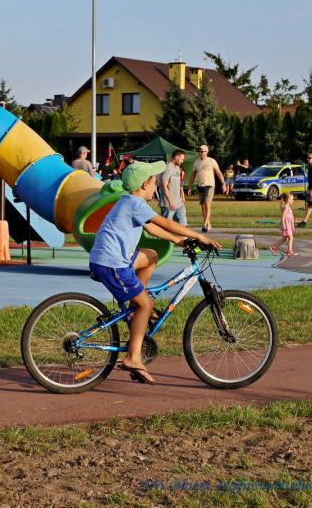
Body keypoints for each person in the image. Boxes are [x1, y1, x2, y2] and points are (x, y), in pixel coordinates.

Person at [89, 161, 219, 385]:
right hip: (113, 264)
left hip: (109, 259)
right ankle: (133, 357)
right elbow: (165, 223)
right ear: (144, 185)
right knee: (146, 305)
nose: (156, 187)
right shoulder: (136, 204)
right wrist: (199, 236)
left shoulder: (127, 201)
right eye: (154, 183)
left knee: (151, 256)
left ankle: (135, 307)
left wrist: (178, 240)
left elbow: (151, 227)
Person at [187, 144, 226, 232]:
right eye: (199, 151)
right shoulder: (196, 162)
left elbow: (218, 172)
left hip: (210, 185)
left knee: (207, 204)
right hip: (200, 186)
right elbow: (193, 175)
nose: (200, 153)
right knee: (203, 206)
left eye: (202, 151)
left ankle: (205, 224)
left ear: (206, 152)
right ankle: (208, 223)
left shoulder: (211, 161)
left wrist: (223, 184)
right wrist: (189, 187)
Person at [157, 150, 187, 225]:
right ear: (176, 157)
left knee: (183, 225)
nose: (182, 161)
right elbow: (164, 185)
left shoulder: (178, 168)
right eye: (181, 159)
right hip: (168, 204)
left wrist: (181, 196)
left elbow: (178, 185)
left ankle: (183, 234)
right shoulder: (168, 167)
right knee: (167, 226)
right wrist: (170, 201)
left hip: (179, 203)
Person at [269, 192, 297, 257]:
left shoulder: (288, 207)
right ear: (288, 200)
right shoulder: (286, 207)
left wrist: (292, 225)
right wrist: (284, 225)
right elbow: (283, 216)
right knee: (291, 238)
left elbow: (291, 218)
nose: (293, 200)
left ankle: (274, 247)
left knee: (284, 239)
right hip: (286, 226)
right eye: (292, 199)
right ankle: (289, 251)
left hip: (288, 225)